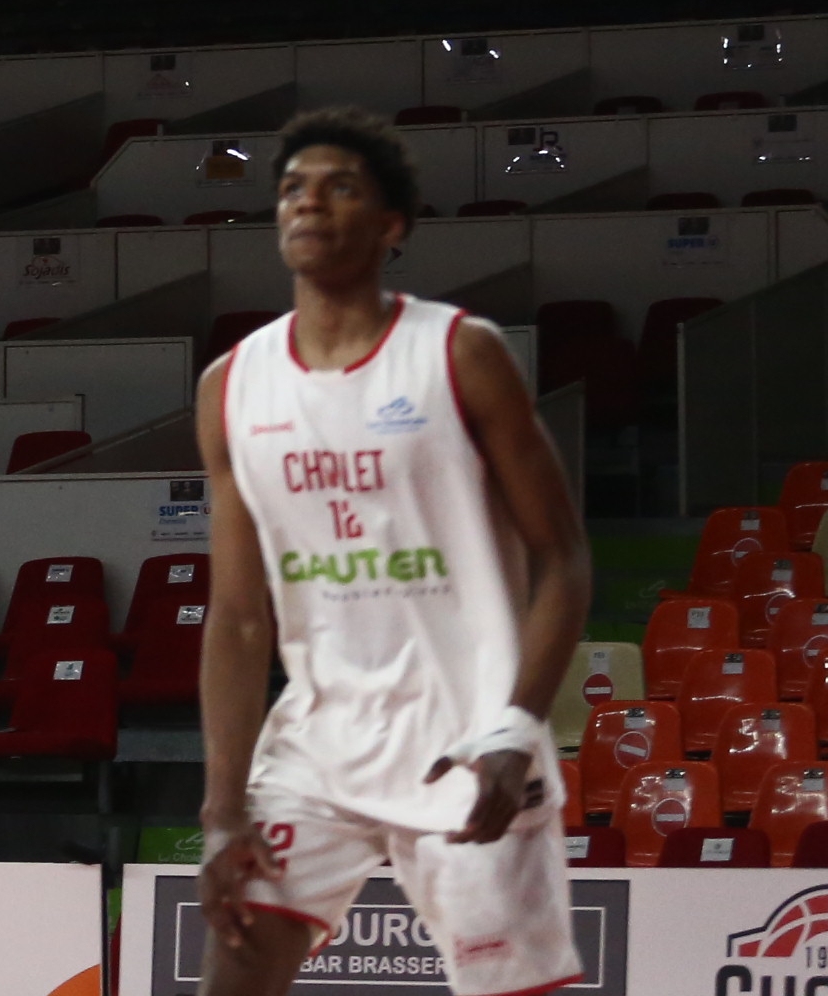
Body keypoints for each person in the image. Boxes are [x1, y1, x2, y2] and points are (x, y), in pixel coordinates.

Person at [193, 109, 590, 996]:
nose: (309, 203)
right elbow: (239, 615)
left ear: (391, 225)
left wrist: (516, 729)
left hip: (466, 743)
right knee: (232, 978)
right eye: (293, 188)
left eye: (341, 187)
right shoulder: (232, 386)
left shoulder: (460, 355)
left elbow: (563, 559)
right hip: (317, 747)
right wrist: (223, 811)